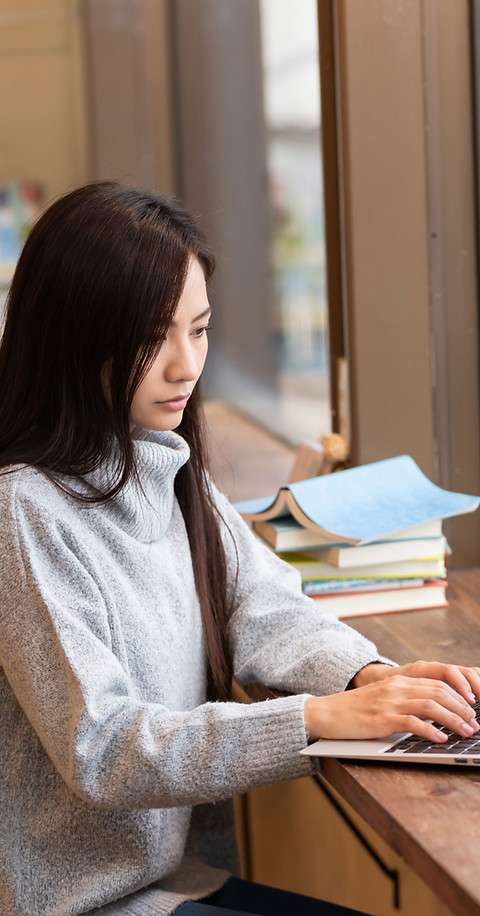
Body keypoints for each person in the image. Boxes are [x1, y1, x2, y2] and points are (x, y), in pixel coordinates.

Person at [0, 181, 478, 916]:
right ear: (73, 334)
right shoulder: (24, 510)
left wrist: (372, 677)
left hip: (171, 879)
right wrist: (318, 720)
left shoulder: (162, 460)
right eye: (152, 336)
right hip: (79, 903)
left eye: (200, 329)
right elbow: (104, 747)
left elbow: (265, 606)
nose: (185, 365)